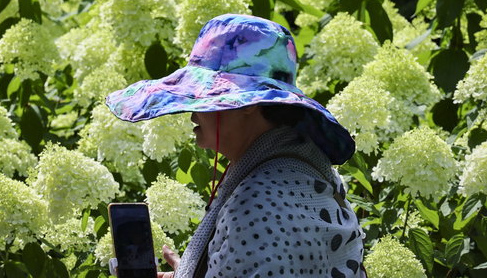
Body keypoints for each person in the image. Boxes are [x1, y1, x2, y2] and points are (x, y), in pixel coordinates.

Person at [106, 14, 366, 278]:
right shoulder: (303, 167)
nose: (193, 113)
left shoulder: (257, 204)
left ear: (248, 105)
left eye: (206, 100)